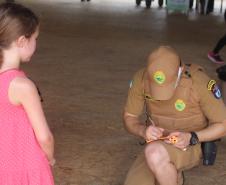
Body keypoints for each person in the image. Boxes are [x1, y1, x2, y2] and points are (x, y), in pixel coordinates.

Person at [123, 46, 226, 185]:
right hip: (156, 143)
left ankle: (168, 171)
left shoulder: (199, 82)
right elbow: (129, 117)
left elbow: (223, 124)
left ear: (180, 71)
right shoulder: (140, 79)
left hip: (190, 144)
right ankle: (170, 173)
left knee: (155, 154)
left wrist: (192, 137)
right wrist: (143, 130)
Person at [0, 2, 55, 184]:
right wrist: (49, 157)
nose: (36, 44)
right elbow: (44, 137)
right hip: (27, 169)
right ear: (22, 41)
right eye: (35, 38)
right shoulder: (22, 86)